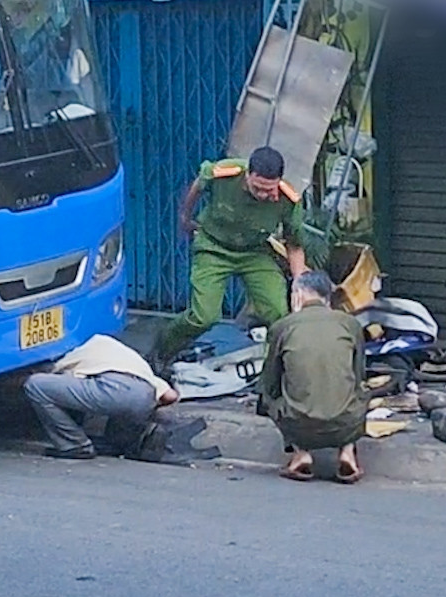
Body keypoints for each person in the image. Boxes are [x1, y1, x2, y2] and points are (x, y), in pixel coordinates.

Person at [157, 146, 307, 364]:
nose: (264, 194)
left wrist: (299, 284)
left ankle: (276, 368)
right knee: (203, 317)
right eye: (258, 188)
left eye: (270, 189)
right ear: (248, 174)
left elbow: (294, 245)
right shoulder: (224, 173)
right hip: (214, 248)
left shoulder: (287, 200)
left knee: (279, 314)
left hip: (255, 253)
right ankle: (162, 352)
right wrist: (185, 217)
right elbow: (198, 185)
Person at [259, 270, 366, 484]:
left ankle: (301, 454)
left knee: (270, 394)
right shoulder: (350, 323)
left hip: (299, 425)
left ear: (297, 295)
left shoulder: (283, 326)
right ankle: (347, 453)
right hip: (346, 423)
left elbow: (269, 382)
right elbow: (358, 374)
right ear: (328, 297)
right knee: (358, 390)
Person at [22, 334, 180, 459]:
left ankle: (75, 445)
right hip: (146, 395)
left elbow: (55, 383)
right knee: (118, 421)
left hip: (114, 391)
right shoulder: (125, 354)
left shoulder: (72, 355)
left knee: (36, 385)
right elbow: (171, 396)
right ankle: (124, 440)